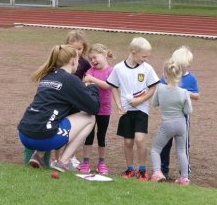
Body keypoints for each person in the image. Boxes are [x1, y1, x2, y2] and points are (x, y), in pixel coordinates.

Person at [18, 45, 100, 172]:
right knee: (90, 118)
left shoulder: (47, 76)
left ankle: (38, 155)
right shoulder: (70, 79)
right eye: (78, 59)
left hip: (24, 134)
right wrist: (92, 87)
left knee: (52, 116)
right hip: (43, 138)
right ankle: (63, 162)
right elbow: (94, 108)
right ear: (73, 60)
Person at [106, 37, 160, 181]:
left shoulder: (147, 68)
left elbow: (153, 88)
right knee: (128, 142)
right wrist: (119, 104)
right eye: (143, 56)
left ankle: (142, 170)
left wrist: (140, 100)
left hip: (141, 109)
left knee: (140, 139)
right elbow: (113, 87)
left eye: (147, 56)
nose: (146, 59)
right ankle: (130, 169)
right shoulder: (118, 68)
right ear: (133, 52)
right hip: (126, 110)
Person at [159, 46, 200, 179]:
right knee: (164, 144)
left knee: (183, 146)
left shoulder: (191, 78)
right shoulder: (167, 76)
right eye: (184, 65)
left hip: (183, 117)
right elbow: (160, 89)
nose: (187, 68)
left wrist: (184, 93)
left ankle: (185, 173)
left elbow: (196, 95)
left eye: (187, 65)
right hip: (167, 116)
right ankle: (163, 170)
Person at [150, 60, 193, 185]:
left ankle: (157, 173)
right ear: (180, 75)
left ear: (164, 74)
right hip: (181, 124)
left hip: (167, 123)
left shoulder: (160, 88)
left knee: (155, 149)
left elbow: (154, 103)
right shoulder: (184, 92)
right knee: (181, 151)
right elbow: (188, 110)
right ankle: (184, 177)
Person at [54, 29, 91, 168]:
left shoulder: (85, 64)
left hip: (75, 101)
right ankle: (56, 157)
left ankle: (71, 156)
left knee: (72, 128)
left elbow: (87, 78)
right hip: (62, 100)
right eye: (73, 49)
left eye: (79, 49)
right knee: (59, 126)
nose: (76, 52)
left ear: (84, 48)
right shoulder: (61, 62)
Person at [80, 43, 115, 175]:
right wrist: (88, 80)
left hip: (104, 110)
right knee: (88, 136)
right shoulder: (90, 71)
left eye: (95, 57)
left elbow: (108, 85)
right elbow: (86, 84)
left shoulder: (111, 71)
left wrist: (91, 79)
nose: (93, 61)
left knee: (102, 136)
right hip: (90, 109)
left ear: (104, 54)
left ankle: (102, 162)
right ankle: (86, 162)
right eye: (91, 59)